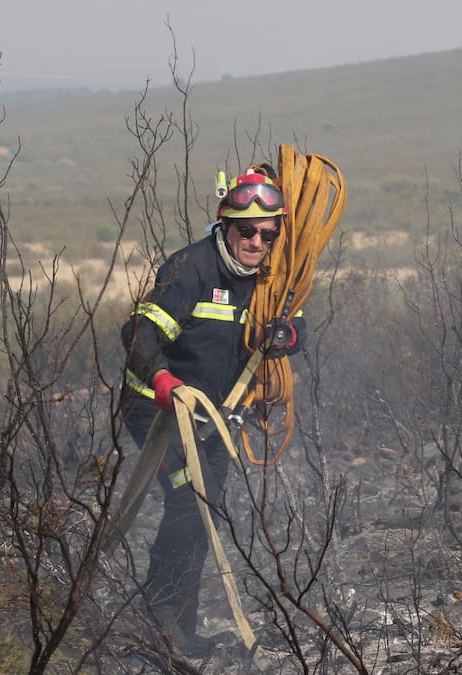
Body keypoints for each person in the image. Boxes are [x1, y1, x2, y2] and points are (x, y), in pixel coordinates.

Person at [120, 169, 302, 656]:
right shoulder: (190, 269)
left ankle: (180, 627)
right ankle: (160, 624)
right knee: (187, 499)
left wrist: (288, 336)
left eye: (268, 233)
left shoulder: (269, 280)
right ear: (224, 225)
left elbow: (293, 322)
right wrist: (163, 383)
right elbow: (138, 333)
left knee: (206, 511)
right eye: (246, 230)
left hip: (216, 416)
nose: (257, 241)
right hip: (156, 410)